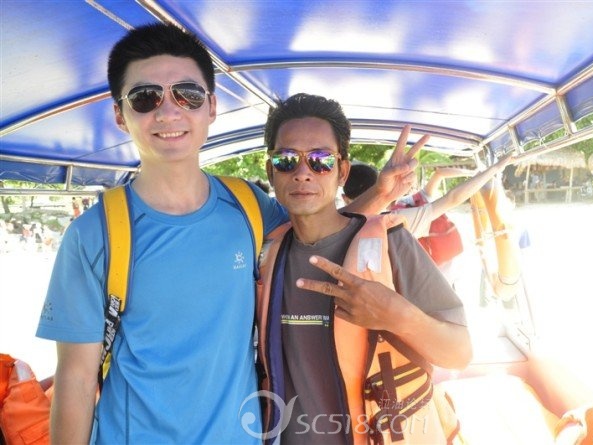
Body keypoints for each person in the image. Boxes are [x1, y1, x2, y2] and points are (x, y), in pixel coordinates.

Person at [35, 24, 422, 444]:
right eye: (145, 98)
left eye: (187, 94)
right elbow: (75, 379)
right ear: (118, 114)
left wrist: (379, 198)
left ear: (212, 106)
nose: (168, 112)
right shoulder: (94, 235)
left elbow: (316, 228)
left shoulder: (248, 207)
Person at [255, 93, 472, 443]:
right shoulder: (267, 255)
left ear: (342, 171)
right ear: (270, 170)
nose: (303, 173)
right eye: (286, 160)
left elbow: (459, 353)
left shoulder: (390, 243)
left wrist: (398, 317)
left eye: (321, 160)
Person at [343, 155, 513, 286]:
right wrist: (493, 169)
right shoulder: (394, 221)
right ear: (383, 188)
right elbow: (452, 198)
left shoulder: (334, 224)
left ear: (344, 198)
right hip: (414, 292)